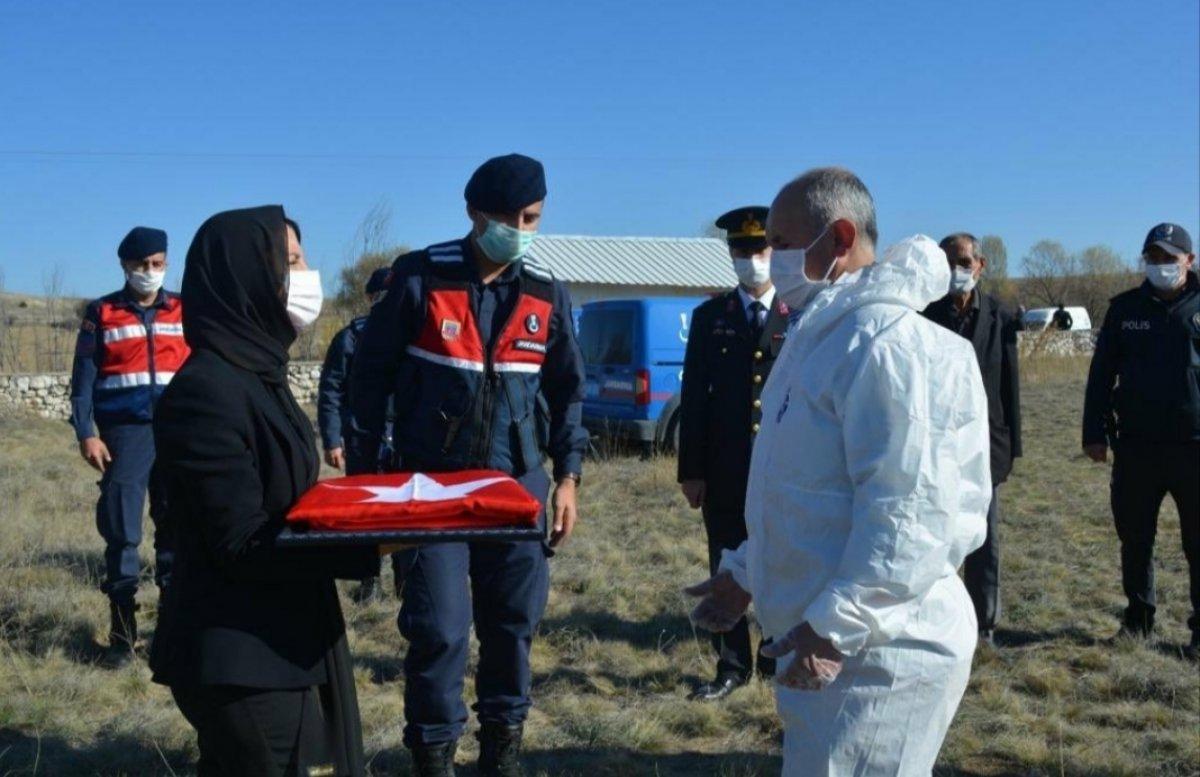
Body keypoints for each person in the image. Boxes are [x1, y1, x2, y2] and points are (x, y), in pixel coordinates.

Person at [685, 168, 991, 776]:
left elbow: (908, 513)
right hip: (834, 639)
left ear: (840, 238)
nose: (771, 258)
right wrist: (748, 573)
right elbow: (805, 490)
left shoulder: (887, 343)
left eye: (783, 241)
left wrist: (835, 628)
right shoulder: (823, 338)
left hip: (881, 650)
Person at [349, 153, 588, 777]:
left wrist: (568, 478)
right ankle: (433, 756)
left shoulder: (546, 294)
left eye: (531, 217)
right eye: (506, 216)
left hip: (518, 488)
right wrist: (369, 480)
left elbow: (567, 393)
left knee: (513, 627)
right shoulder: (420, 277)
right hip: (432, 488)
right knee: (440, 630)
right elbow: (369, 378)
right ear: (473, 213)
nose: (519, 226)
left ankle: (501, 755)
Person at [150, 207, 377, 776]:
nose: (308, 276)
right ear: (248, 276)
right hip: (242, 657)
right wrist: (372, 544)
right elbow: (241, 541)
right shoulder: (206, 392)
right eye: (293, 262)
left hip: (285, 635)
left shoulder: (259, 375)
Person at [677, 205, 785, 700]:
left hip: (783, 471)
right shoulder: (709, 317)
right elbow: (694, 398)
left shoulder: (799, 315)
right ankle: (732, 664)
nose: (751, 259)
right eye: (742, 251)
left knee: (783, 562)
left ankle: (778, 655)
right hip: (724, 471)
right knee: (725, 563)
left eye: (759, 249)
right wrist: (690, 470)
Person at [69, 226, 187, 666]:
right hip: (125, 435)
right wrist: (87, 432)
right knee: (122, 533)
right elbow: (82, 383)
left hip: (177, 434)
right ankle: (122, 637)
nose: (150, 272)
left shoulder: (183, 309)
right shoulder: (101, 313)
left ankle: (172, 635)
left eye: (158, 264)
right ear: (124, 265)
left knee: (175, 532)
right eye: (141, 265)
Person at [1082, 222, 1199, 659]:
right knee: (1135, 539)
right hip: (1137, 447)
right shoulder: (1124, 309)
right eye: (1153, 258)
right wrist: (1094, 433)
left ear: (1189, 260)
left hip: (1194, 446)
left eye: (1170, 258)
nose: (1161, 265)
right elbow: (1100, 376)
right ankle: (1138, 620)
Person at [922, 232, 1023, 647]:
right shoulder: (925, 314)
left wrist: (1011, 447)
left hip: (984, 445)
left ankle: (983, 624)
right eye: (948, 263)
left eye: (964, 263)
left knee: (984, 538)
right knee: (933, 535)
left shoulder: (999, 316)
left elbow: (1009, 387)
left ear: (981, 266)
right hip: (935, 443)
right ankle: (933, 618)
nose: (956, 271)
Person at [317, 266, 395, 602]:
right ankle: (370, 581)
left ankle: (410, 578)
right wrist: (333, 439)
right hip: (362, 439)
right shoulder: (349, 338)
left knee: (408, 510)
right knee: (366, 512)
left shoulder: (414, 333)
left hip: (405, 437)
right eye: (381, 295)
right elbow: (331, 391)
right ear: (369, 298)